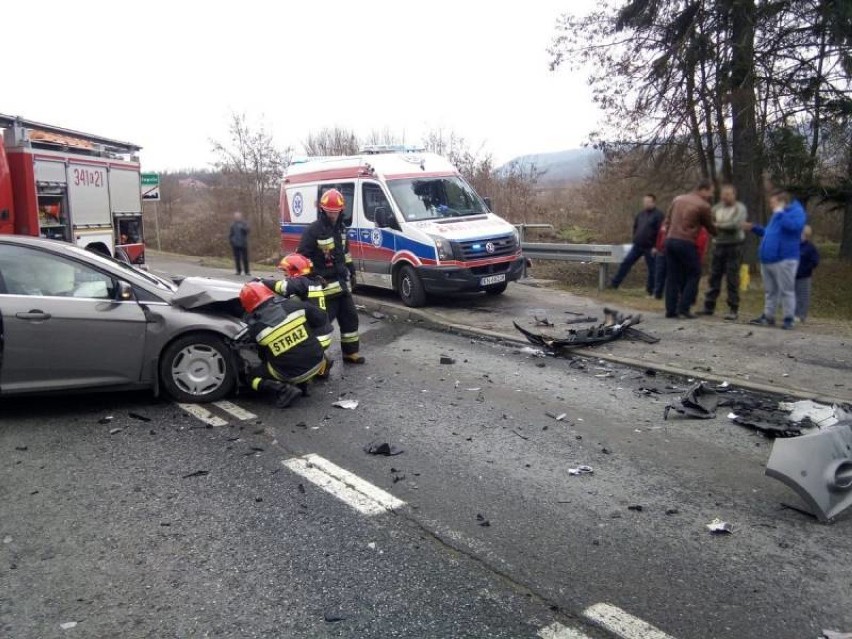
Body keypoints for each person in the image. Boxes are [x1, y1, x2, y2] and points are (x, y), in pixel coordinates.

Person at [297, 188, 365, 364]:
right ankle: (316, 360)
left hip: (342, 285)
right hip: (325, 287)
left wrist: (352, 271)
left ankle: (350, 353)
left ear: (341, 210)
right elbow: (301, 257)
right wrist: (313, 276)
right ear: (322, 209)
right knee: (323, 326)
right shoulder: (313, 230)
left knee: (350, 318)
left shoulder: (341, 229)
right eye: (329, 212)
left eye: (336, 212)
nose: (333, 215)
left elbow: (345, 253)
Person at [239, 281, 333, 408]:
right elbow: (321, 317)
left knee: (251, 377)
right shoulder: (295, 306)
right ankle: (309, 379)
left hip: (291, 374)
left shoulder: (255, 329)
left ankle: (283, 389)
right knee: (300, 351)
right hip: (318, 360)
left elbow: (263, 356)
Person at [745, 190, 807, 330]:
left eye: (773, 202)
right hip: (768, 259)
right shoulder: (777, 215)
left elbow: (795, 227)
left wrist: (780, 213)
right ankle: (768, 316)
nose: (771, 205)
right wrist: (754, 228)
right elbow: (769, 233)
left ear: (781, 202)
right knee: (770, 291)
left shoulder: (796, 212)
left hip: (785, 258)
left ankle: (789, 318)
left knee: (786, 290)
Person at [663, 180, 717, 319]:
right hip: (686, 241)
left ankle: (670, 309)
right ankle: (684, 307)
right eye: (710, 191)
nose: (711, 195)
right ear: (703, 190)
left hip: (670, 240)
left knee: (672, 276)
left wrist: (667, 235)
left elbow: (667, 220)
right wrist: (719, 231)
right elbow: (710, 226)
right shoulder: (703, 205)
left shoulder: (677, 199)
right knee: (694, 273)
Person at [700, 184, 748, 320]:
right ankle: (709, 306)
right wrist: (716, 226)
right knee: (714, 276)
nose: (725, 197)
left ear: (734, 195)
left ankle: (733, 308)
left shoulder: (740, 208)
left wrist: (718, 226)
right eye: (723, 194)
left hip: (734, 246)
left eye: (728, 194)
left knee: (732, 278)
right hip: (718, 245)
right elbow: (709, 221)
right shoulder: (717, 208)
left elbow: (735, 225)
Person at [609, 194, 664, 294]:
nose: (646, 204)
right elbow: (635, 227)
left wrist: (656, 246)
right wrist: (635, 238)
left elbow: (661, 233)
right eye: (645, 202)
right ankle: (614, 284)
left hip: (651, 247)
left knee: (653, 270)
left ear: (653, 202)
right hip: (637, 246)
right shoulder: (641, 214)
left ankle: (651, 290)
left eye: (648, 202)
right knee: (626, 263)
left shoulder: (658, 215)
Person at [795, 225, 819, 323]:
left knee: (803, 296)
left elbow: (815, 261)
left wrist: (806, 269)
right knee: (793, 296)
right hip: (793, 275)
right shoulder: (794, 245)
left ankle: (801, 315)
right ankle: (793, 314)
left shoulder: (810, 247)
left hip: (804, 276)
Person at [229, 211, 250, 276]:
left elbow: (248, 231)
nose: (237, 217)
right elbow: (231, 234)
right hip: (235, 244)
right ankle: (238, 271)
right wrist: (231, 241)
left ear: (240, 217)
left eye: (238, 216)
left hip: (243, 244)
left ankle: (247, 272)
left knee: (245, 258)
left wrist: (243, 228)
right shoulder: (233, 225)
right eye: (236, 216)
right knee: (237, 258)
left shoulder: (244, 224)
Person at [651, 221, 668, 299]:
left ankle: (668, 295)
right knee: (659, 273)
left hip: (670, 251)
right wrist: (656, 247)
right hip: (660, 251)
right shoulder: (663, 224)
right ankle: (657, 294)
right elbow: (659, 236)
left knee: (669, 275)